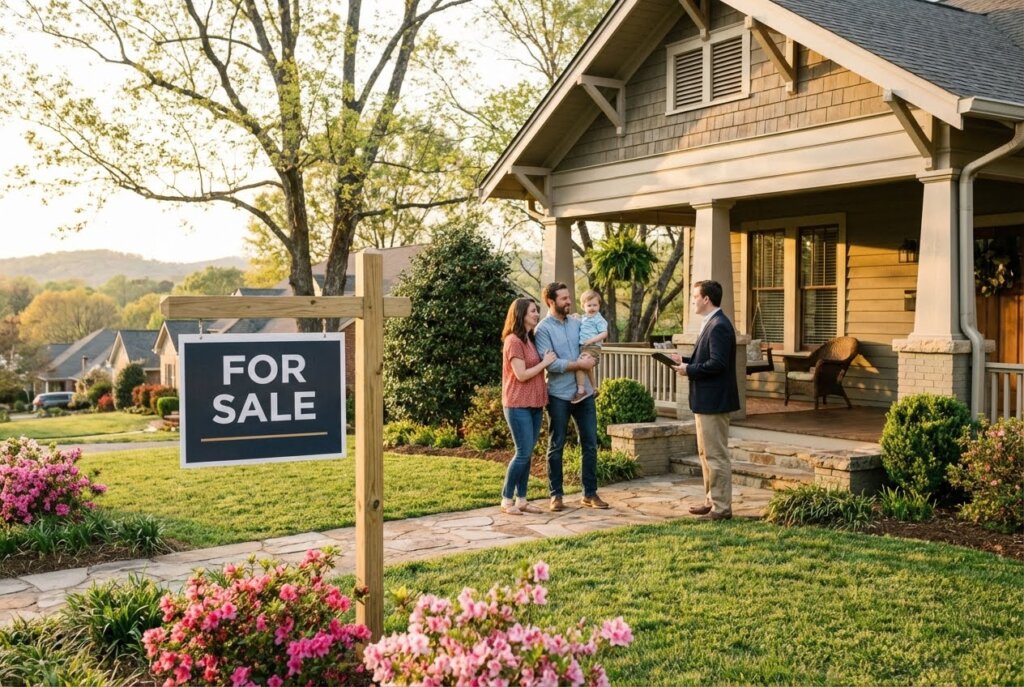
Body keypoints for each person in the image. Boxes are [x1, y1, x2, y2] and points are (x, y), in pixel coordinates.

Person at [534, 282, 609, 511]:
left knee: (590, 443)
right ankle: (556, 495)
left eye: (569, 297)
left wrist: (592, 359)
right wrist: (578, 363)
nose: (569, 301)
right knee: (556, 445)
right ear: (551, 301)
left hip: (583, 392)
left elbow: (595, 345)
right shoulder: (543, 329)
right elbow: (552, 364)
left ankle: (590, 493)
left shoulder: (578, 322)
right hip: (559, 395)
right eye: (564, 298)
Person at [669, 280, 740, 521]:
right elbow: (708, 358)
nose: (692, 301)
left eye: (695, 297)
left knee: (716, 455)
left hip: (715, 401)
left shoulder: (719, 325)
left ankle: (722, 508)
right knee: (705, 453)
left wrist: (689, 370)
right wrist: (686, 360)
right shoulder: (710, 322)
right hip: (705, 400)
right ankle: (711, 500)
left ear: (706, 299)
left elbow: (718, 364)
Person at [500, 298, 557, 515]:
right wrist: (545, 363)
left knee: (528, 453)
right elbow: (521, 375)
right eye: (533, 311)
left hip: (535, 403)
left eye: (537, 311)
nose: (536, 314)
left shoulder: (529, 339)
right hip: (517, 404)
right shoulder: (513, 341)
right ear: (521, 314)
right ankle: (506, 500)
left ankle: (521, 499)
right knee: (522, 453)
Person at [572, 289, 608, 403]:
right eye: (589, 305)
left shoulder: (598, 319)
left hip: (593, 347)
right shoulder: (585, 317)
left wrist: (591, 340)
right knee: (588, 370)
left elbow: (604, 333)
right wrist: (577, 316)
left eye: (595, 305)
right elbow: (580, 320)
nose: (592, 308)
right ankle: (593, 389)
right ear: (583, 306)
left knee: (580, 365)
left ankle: (581, 390)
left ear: (599, 306)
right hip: (584, 347)